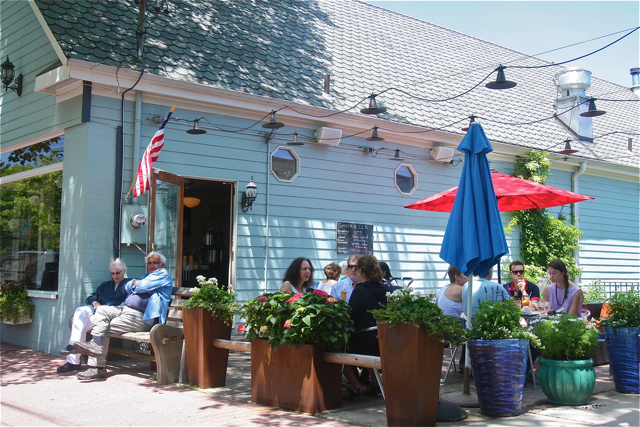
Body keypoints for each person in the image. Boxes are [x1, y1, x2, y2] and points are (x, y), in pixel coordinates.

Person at [72, 252, 173, 380]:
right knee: (102, 310)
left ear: (162, 265)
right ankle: (95, 348)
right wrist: (137, 285)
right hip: (125, 309)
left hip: (142, 317)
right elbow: (128, 286)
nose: (152, 265)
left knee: (102, 329)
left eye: (155, 263)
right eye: (149, 263)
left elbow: (141, 286)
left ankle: (97, 368)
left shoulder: (162, 275)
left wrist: (138, 285)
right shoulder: (147, 276)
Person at [57, 258, 131, 373]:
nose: (115, 276)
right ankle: (72, 350)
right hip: (95, 311)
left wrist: (104, 309)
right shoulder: (106, 285)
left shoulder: (127, 285)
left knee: (80, 325)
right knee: (79, 312)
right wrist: (95, 303)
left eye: (118, 273)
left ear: (124, 271)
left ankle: (73, 361)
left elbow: (125, 305)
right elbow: (91, 297)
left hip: (107, 316)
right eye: (112, 273)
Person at [342, 255, 387, 399]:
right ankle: (375, 383)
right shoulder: (384, 288)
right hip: (382, 340)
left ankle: (354, 383)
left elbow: (350, 317)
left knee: (336, 344)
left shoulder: (361, 290)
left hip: (366, 342)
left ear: (360, 270)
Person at [436, 266, 468, 373]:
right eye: (466, 275)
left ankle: (464, 364)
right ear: (457, 277)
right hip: (451, 331)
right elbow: (477, 304)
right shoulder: (460, 289)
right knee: (472, 332)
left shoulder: (444, 288)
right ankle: (465, 365)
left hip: (440, 330)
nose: (468, 278)